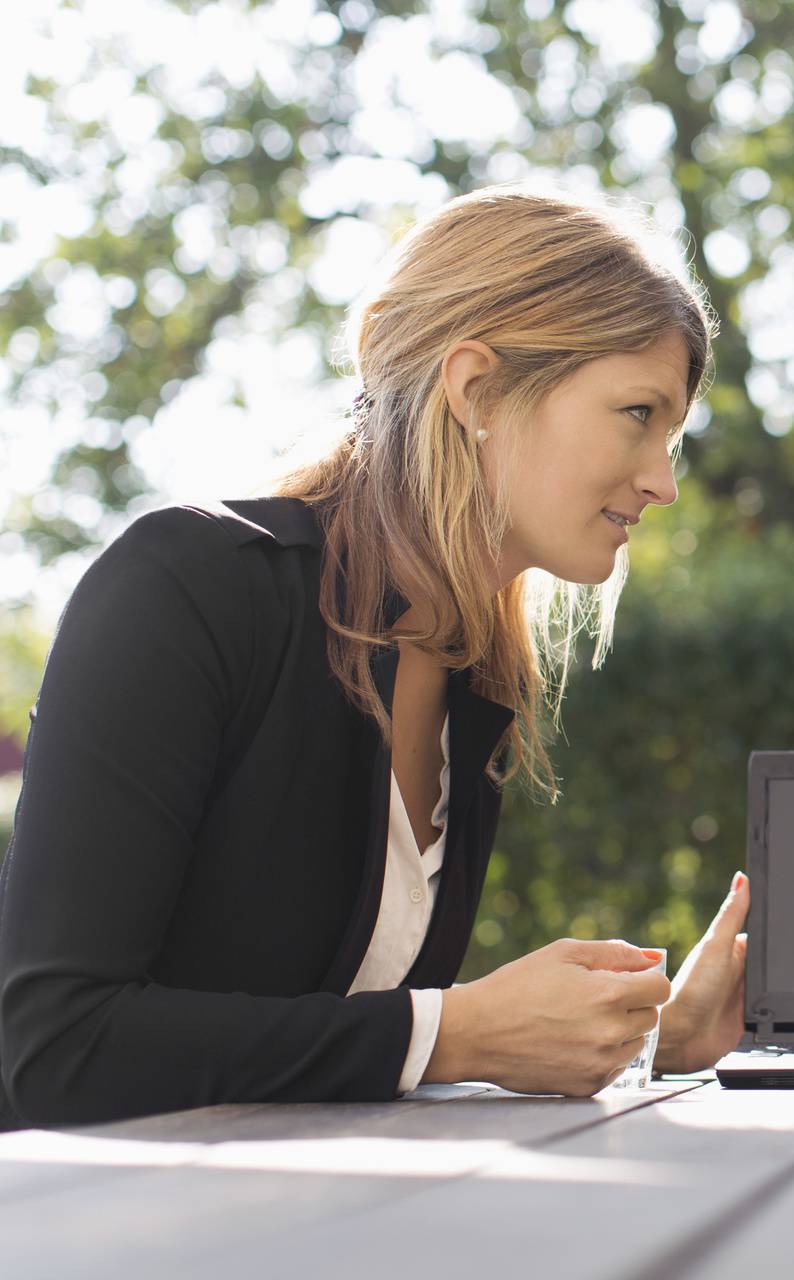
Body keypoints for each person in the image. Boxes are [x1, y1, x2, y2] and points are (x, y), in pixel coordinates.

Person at [0, 186, 750, 1128]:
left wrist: (647, 1038)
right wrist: (456, 1032)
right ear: (477, 388)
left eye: (672, 434)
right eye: (638, 414)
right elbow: (54, 1047)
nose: (664, 481)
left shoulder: (477, 685)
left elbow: (326, 1047)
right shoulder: (186, 590)